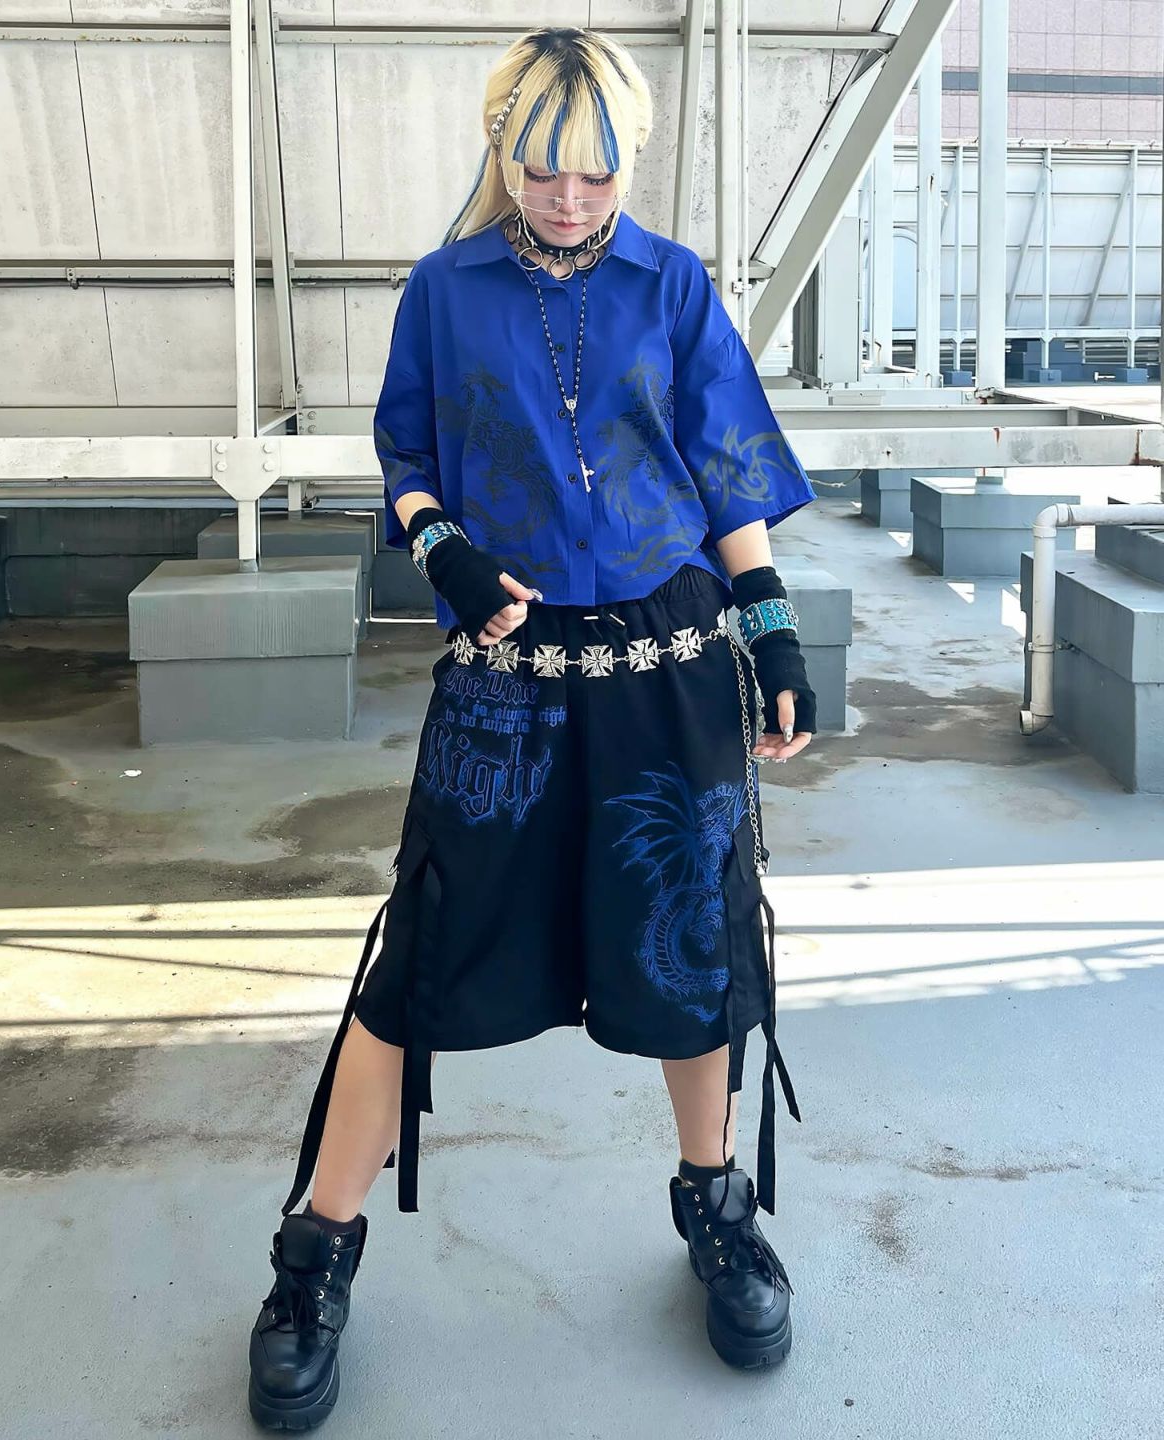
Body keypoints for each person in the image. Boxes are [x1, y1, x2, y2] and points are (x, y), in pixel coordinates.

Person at [247, 25, 817, 1432]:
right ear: (502, 152)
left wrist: (773, 629)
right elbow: (407, 456)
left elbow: (724, 468)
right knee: (422, 952)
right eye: (543, 170)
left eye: (596, 174)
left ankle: (716, 1208)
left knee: (692, 944)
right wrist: (437, 547)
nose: (568, 199)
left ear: (631, 163)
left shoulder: (674, 285)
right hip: (505, 668)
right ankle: (315, 1257)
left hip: (667, 662)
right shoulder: (443, 291)